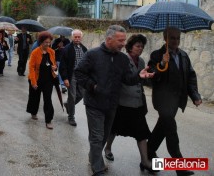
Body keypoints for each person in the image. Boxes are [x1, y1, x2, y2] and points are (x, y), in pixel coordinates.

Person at [74, 25, 154, 176]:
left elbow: (128, 79)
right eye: (121, 40)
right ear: (109, 39)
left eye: (124, 40)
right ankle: (97, 168)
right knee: (97, 136)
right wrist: (93, 86)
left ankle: (94, 157)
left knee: (104, 136)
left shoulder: (123, 59)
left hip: (112, 105)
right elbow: (79, 72)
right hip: (94, 103)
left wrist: (139, 76)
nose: (124, 43)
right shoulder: (92, 54)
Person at [147, 26, 202, 176]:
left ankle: (148, 153)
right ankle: (180, 167)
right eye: (172, 38)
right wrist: (163, 64)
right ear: (165, 38)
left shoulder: (183, 56)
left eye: (178, 38)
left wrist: (195, 96)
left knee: (162, 128)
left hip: (176, 101)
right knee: (171, 130)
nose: (175, 41)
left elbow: (190, 76)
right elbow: (152, 75)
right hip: (162, 100)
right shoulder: (157, 55)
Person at [103, 34, 158, 173]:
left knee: (141, 132)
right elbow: (123, 79)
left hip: (137, 103)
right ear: (130, 46)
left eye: (142, 46)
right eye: (138, 46)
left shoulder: (141, 62)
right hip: (122, 102)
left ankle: (145, 161)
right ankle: (108, 147)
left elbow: (143, 81)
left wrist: (149, 77)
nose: (140, 49)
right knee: (114, 129)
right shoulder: (122, 59)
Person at [26, 31, 57, 130]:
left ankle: (48, 120)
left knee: (48, 100)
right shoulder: (35, 52)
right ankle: (33, 112)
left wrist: (54, 67)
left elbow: (54, 64)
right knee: (34, 97)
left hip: (48, 80)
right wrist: (33, 82)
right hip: (36, 78)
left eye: (49, 42)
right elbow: (31, 68)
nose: (47, 44)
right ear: (41, 42)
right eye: (45, 42)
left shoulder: (52, 52)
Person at [59, 29, 87, 126]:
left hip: (82, 76)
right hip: (72, 75)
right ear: (72, 37)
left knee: (82, 94)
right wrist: (65, 78)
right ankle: (71, 117)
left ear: (81, 38)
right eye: (75, 37)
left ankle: (68, 105)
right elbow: (62, 66)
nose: (77, 38)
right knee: (72, 96)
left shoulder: (84, 49)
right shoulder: (67, 49)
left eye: (79, 37)